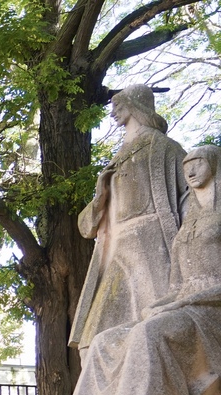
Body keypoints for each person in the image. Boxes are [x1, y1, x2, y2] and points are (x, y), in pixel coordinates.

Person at [53, 146, 221, 395]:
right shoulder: (188, 225)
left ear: (214, 164)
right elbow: (176, 285)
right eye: (187, 167)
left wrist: (182, 303)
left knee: (149, 333)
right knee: (106, 340)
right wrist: (159, 305)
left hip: (211, 312)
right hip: (185, 305)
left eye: (198, 163)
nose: (191, 171)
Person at [70, 85, 189, 351]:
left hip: (152, 247)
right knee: (90, 342)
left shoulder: (165, 148)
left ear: (135, 105)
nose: (112, 113)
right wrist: (100, 196)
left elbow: (195, 196)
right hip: (115, 250)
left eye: (118, 105)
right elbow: (86, 227)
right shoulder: (117, 159)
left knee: (154, 331)